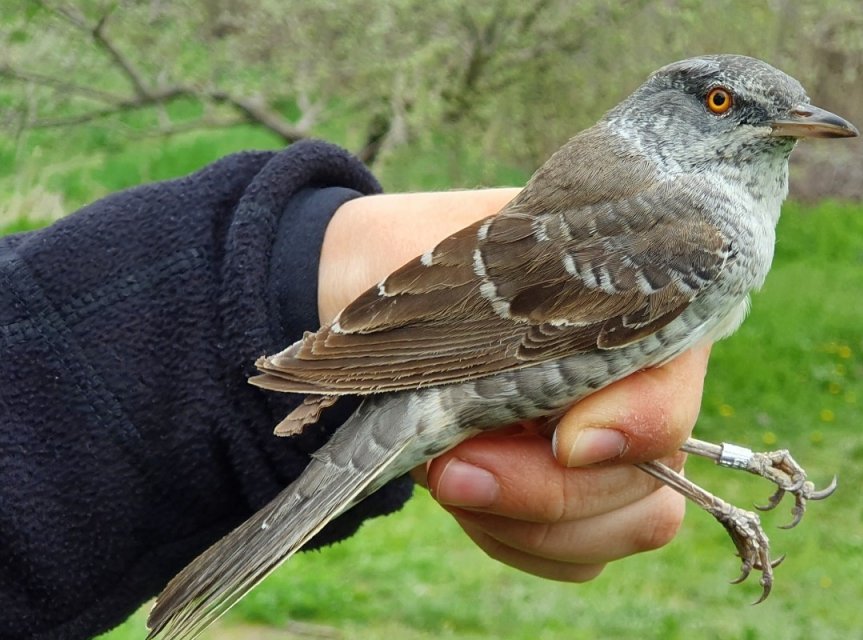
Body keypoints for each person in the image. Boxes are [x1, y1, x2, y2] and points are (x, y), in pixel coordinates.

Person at [0, 140, 705, 639]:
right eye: (722, 104)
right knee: (588, 437)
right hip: (451, 370)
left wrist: (304, 268)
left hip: (448, 353)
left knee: (593, 434)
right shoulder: (683, 225)